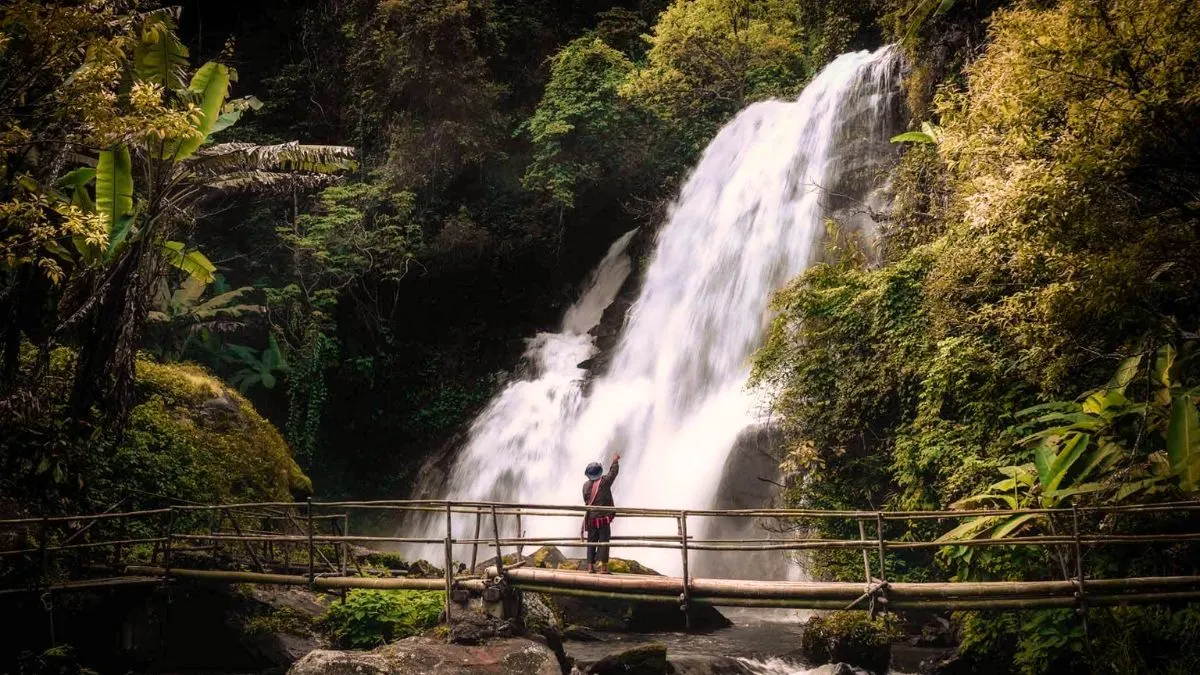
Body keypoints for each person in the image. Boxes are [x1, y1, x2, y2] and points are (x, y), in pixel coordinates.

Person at [581, 454, 620, 574]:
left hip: (591, 519)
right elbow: (613, 473)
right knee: (604, 542)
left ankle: (590, 567)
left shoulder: (585, 486)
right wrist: (615, 461)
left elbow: (585, 500)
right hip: (603, 519)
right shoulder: (605, 482)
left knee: (591, 543)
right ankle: (603, 568)